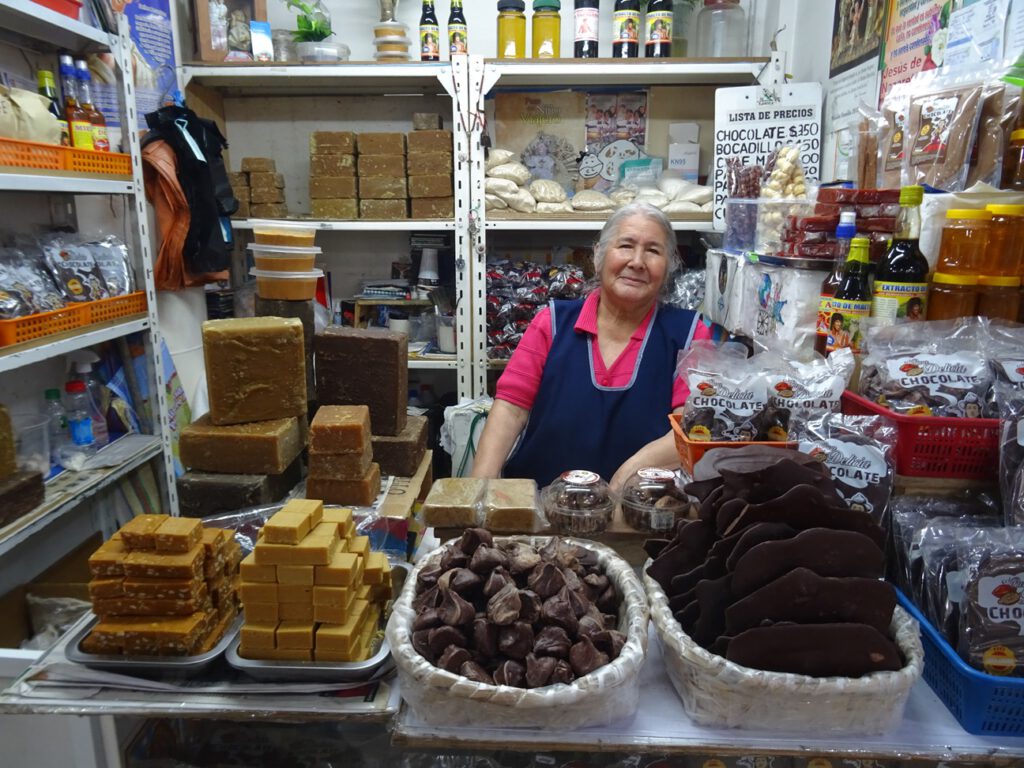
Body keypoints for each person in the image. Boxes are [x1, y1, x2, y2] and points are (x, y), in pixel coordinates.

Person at [472, 203, 711, 490]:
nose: (637, 261)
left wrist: (627, 474)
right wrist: (479, 490)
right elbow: (511, 408)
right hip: (539, 507)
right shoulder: (553, 323)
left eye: (653, 250)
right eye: (625, 245)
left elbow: (693, 428)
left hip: (638, 511)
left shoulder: (688, 334)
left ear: (670, 265)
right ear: (598, 255)